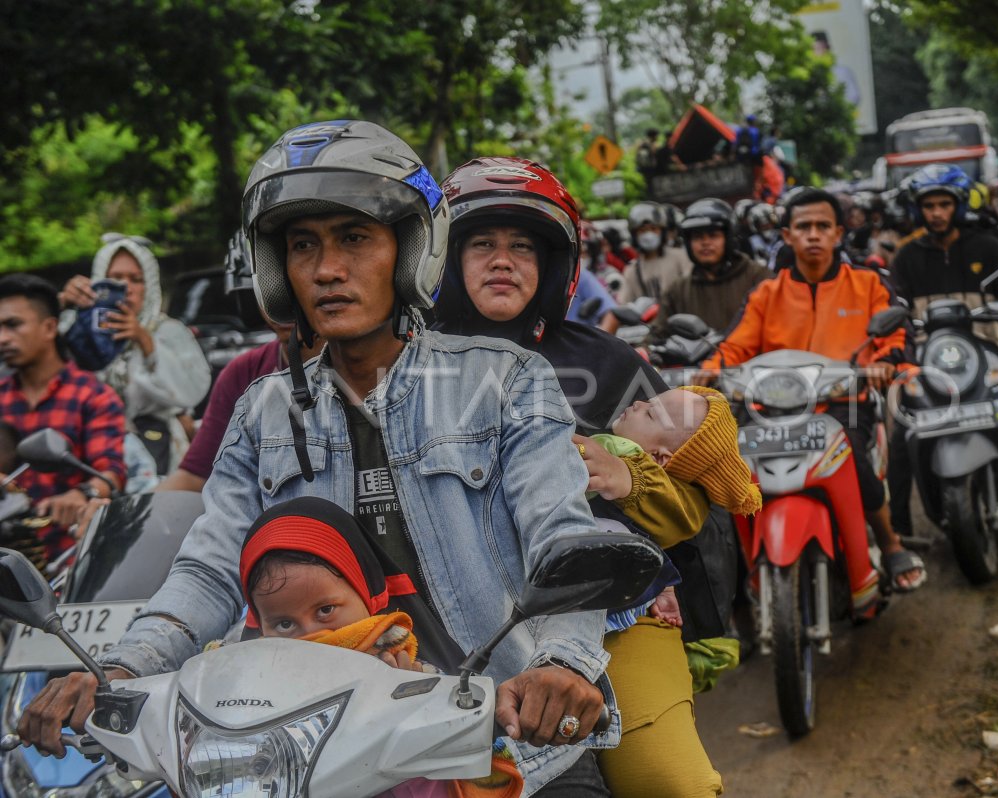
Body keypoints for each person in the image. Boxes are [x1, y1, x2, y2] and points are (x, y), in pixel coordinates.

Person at [20, 121, 615, 796]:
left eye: (354, 238)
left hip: (505, 740)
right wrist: (120, 670)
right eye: (303, 246)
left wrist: (563, 666)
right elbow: (210, 569)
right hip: (315, 750)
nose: (327, 269)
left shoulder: (508, 381)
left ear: (410, 251)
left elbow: (562, 540)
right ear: (280, 272)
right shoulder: (258, 411)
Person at [433, 157, 727, 797]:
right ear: (446, 258)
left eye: (523, 248)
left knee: (670, 784)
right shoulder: (406, 364)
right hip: (456, 618)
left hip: (612, 603)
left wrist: (624, 477)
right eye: (482, 243)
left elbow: (692, 506)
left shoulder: (606, 359)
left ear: (554, 267)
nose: (502, 261)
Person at [697, 187, 925, 594]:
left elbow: (895, 335)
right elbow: (734, 346)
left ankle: (889, 544)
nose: (814, 235)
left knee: (854, 460)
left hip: (842, 405)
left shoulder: (868, 284)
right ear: (787, 236)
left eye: (823, 226)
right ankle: (739, 583)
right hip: (769, 406)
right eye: (804, 227)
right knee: (726, 468)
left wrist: (887, 363)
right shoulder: (768, 292)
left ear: (839, 233)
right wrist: (709, 371)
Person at [237, 497, 524, 798]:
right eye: (284, 624)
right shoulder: (245, 690)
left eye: (325, 611)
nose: (311, 636)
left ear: (366, 596)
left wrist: (410, 717)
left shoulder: (413, 677)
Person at [888, 164, 998, 537]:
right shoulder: (906, 258)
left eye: (944, 204)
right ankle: (898, 528)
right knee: (899, 423)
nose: (936, 212)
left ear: (959, 206)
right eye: (929, 205)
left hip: (986, 340)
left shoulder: (985, 245)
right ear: (919, 210)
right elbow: (894, 303)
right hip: (928, 353)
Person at [157, 230, 321, 492]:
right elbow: (194, 477)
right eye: (268, 289)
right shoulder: (244, 374)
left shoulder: (367, 368)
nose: (281, 303)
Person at [58, 234, 211, 474]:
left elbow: (190, 392)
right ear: (99, 282)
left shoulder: (168, 331)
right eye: (115, 278)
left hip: (159, 455)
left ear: (149, 285)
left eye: (135, 279)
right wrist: (62, 305)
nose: (126, 288)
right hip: (92, 454)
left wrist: (143, 339)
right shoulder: (79, 328)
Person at [0, 274, 125, 554]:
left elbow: (110, 474)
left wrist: (82, 494)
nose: (2, 338)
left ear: (49, 327)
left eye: (13, 325)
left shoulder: (93, 395)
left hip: (67, 559)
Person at [649, 198, 773, 343]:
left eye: (713, 235)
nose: (705, 243)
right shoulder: (677, 291)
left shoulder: (759, 278)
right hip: (697, 365)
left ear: (729, 238)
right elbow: (656, 335)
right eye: (697, 237)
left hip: (753, 363)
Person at [619, 202, 692, 303]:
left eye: (653, 229)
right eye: (642, 230)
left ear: (662, 231)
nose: (648, 234)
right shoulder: (632, 270)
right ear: (634, 235)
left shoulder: (681, 257)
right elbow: (625, 304)